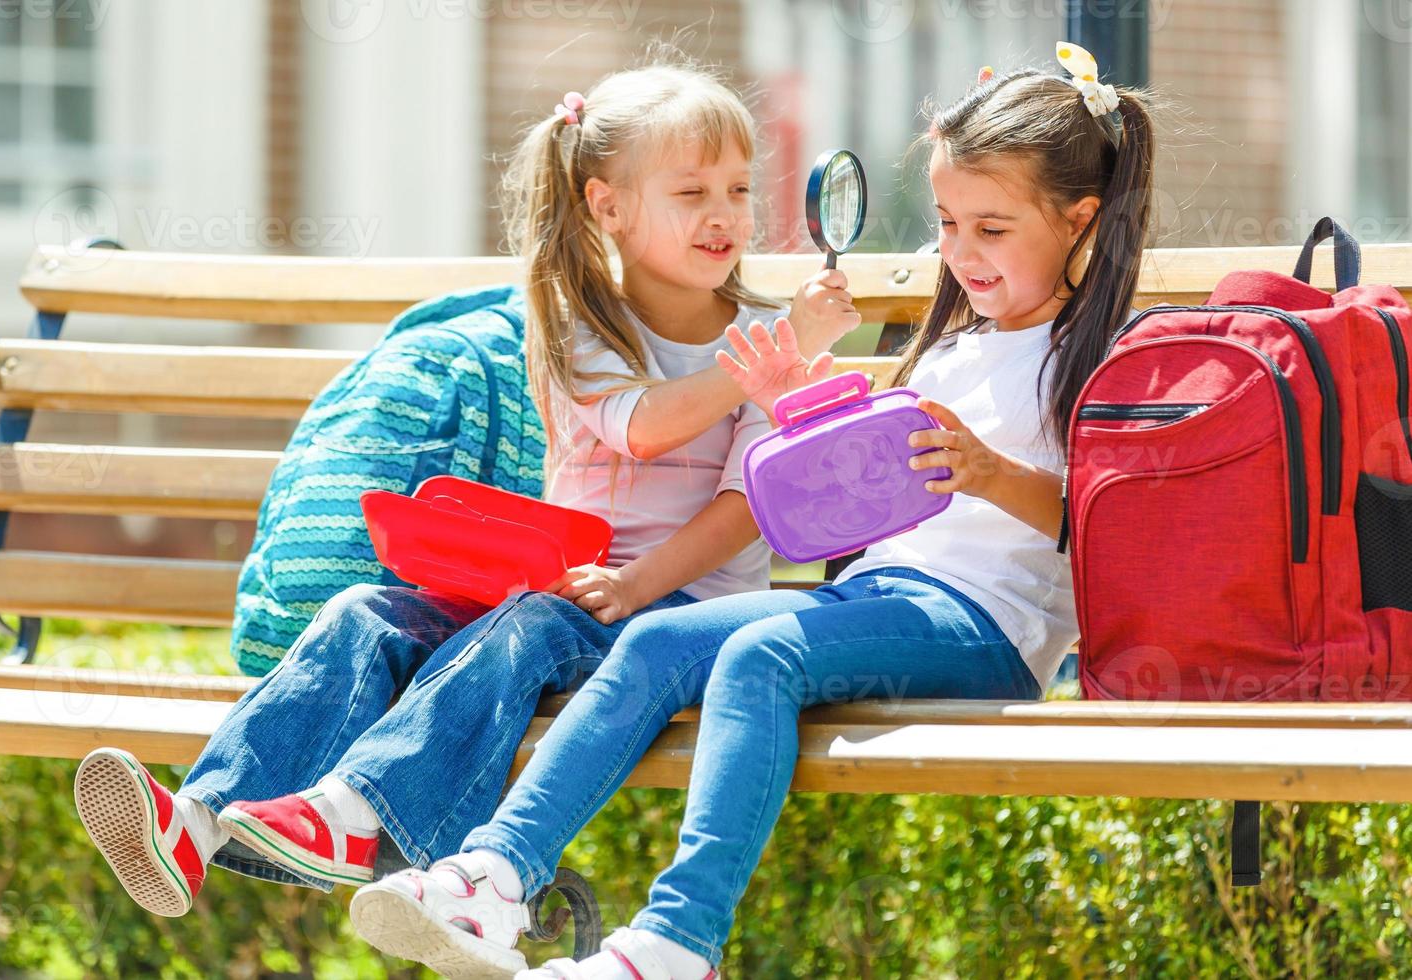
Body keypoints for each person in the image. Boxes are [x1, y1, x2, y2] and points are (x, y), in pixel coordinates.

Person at [359, 43, 1157, 980]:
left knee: (757, 652)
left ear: (1080, 218)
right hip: (883, 596)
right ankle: (492, 878)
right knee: (656, 645)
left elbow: (1114, 528)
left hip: (987, 629)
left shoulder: (1106, 354)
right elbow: (867, 499)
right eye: (945, 223)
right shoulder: (953, 348)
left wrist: (988, 472)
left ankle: (675, 942)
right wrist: (795, 402)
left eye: (991, 227)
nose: (959, 252)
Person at [70, 59, 859, 935]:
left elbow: (749, 504)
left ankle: (352, 817)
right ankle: (199, 820)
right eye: (691, 191)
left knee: (528, 627)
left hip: (678, 612)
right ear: (607, 206)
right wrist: (770, 350)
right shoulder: (576, 328)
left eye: (740, 188)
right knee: (370, 610)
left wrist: (638, 582)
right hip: (570, 593)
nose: (725, 214)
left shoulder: (766, 346)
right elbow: (644, 426)